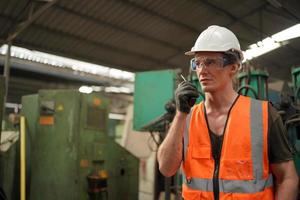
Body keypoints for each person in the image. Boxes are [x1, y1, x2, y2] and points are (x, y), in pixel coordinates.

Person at [157, 25, 299, 200]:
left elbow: (288, 178)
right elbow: (166, 168)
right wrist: (180, 114)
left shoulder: (263, 115)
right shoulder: (187, 117)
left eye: (210, 62)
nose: (202, 70)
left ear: (233, 67)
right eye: (198, 62)